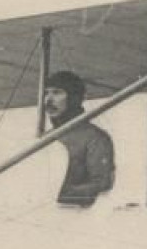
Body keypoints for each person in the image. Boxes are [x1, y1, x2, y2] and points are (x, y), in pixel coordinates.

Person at [43, 71, 115, 206]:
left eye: (57, 92)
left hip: (76, 213)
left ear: (73, 98)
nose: (49, 99)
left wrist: (62, 193)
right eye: (47, 93)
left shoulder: (95, 137)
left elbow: (102, 183)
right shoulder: (46, 138)